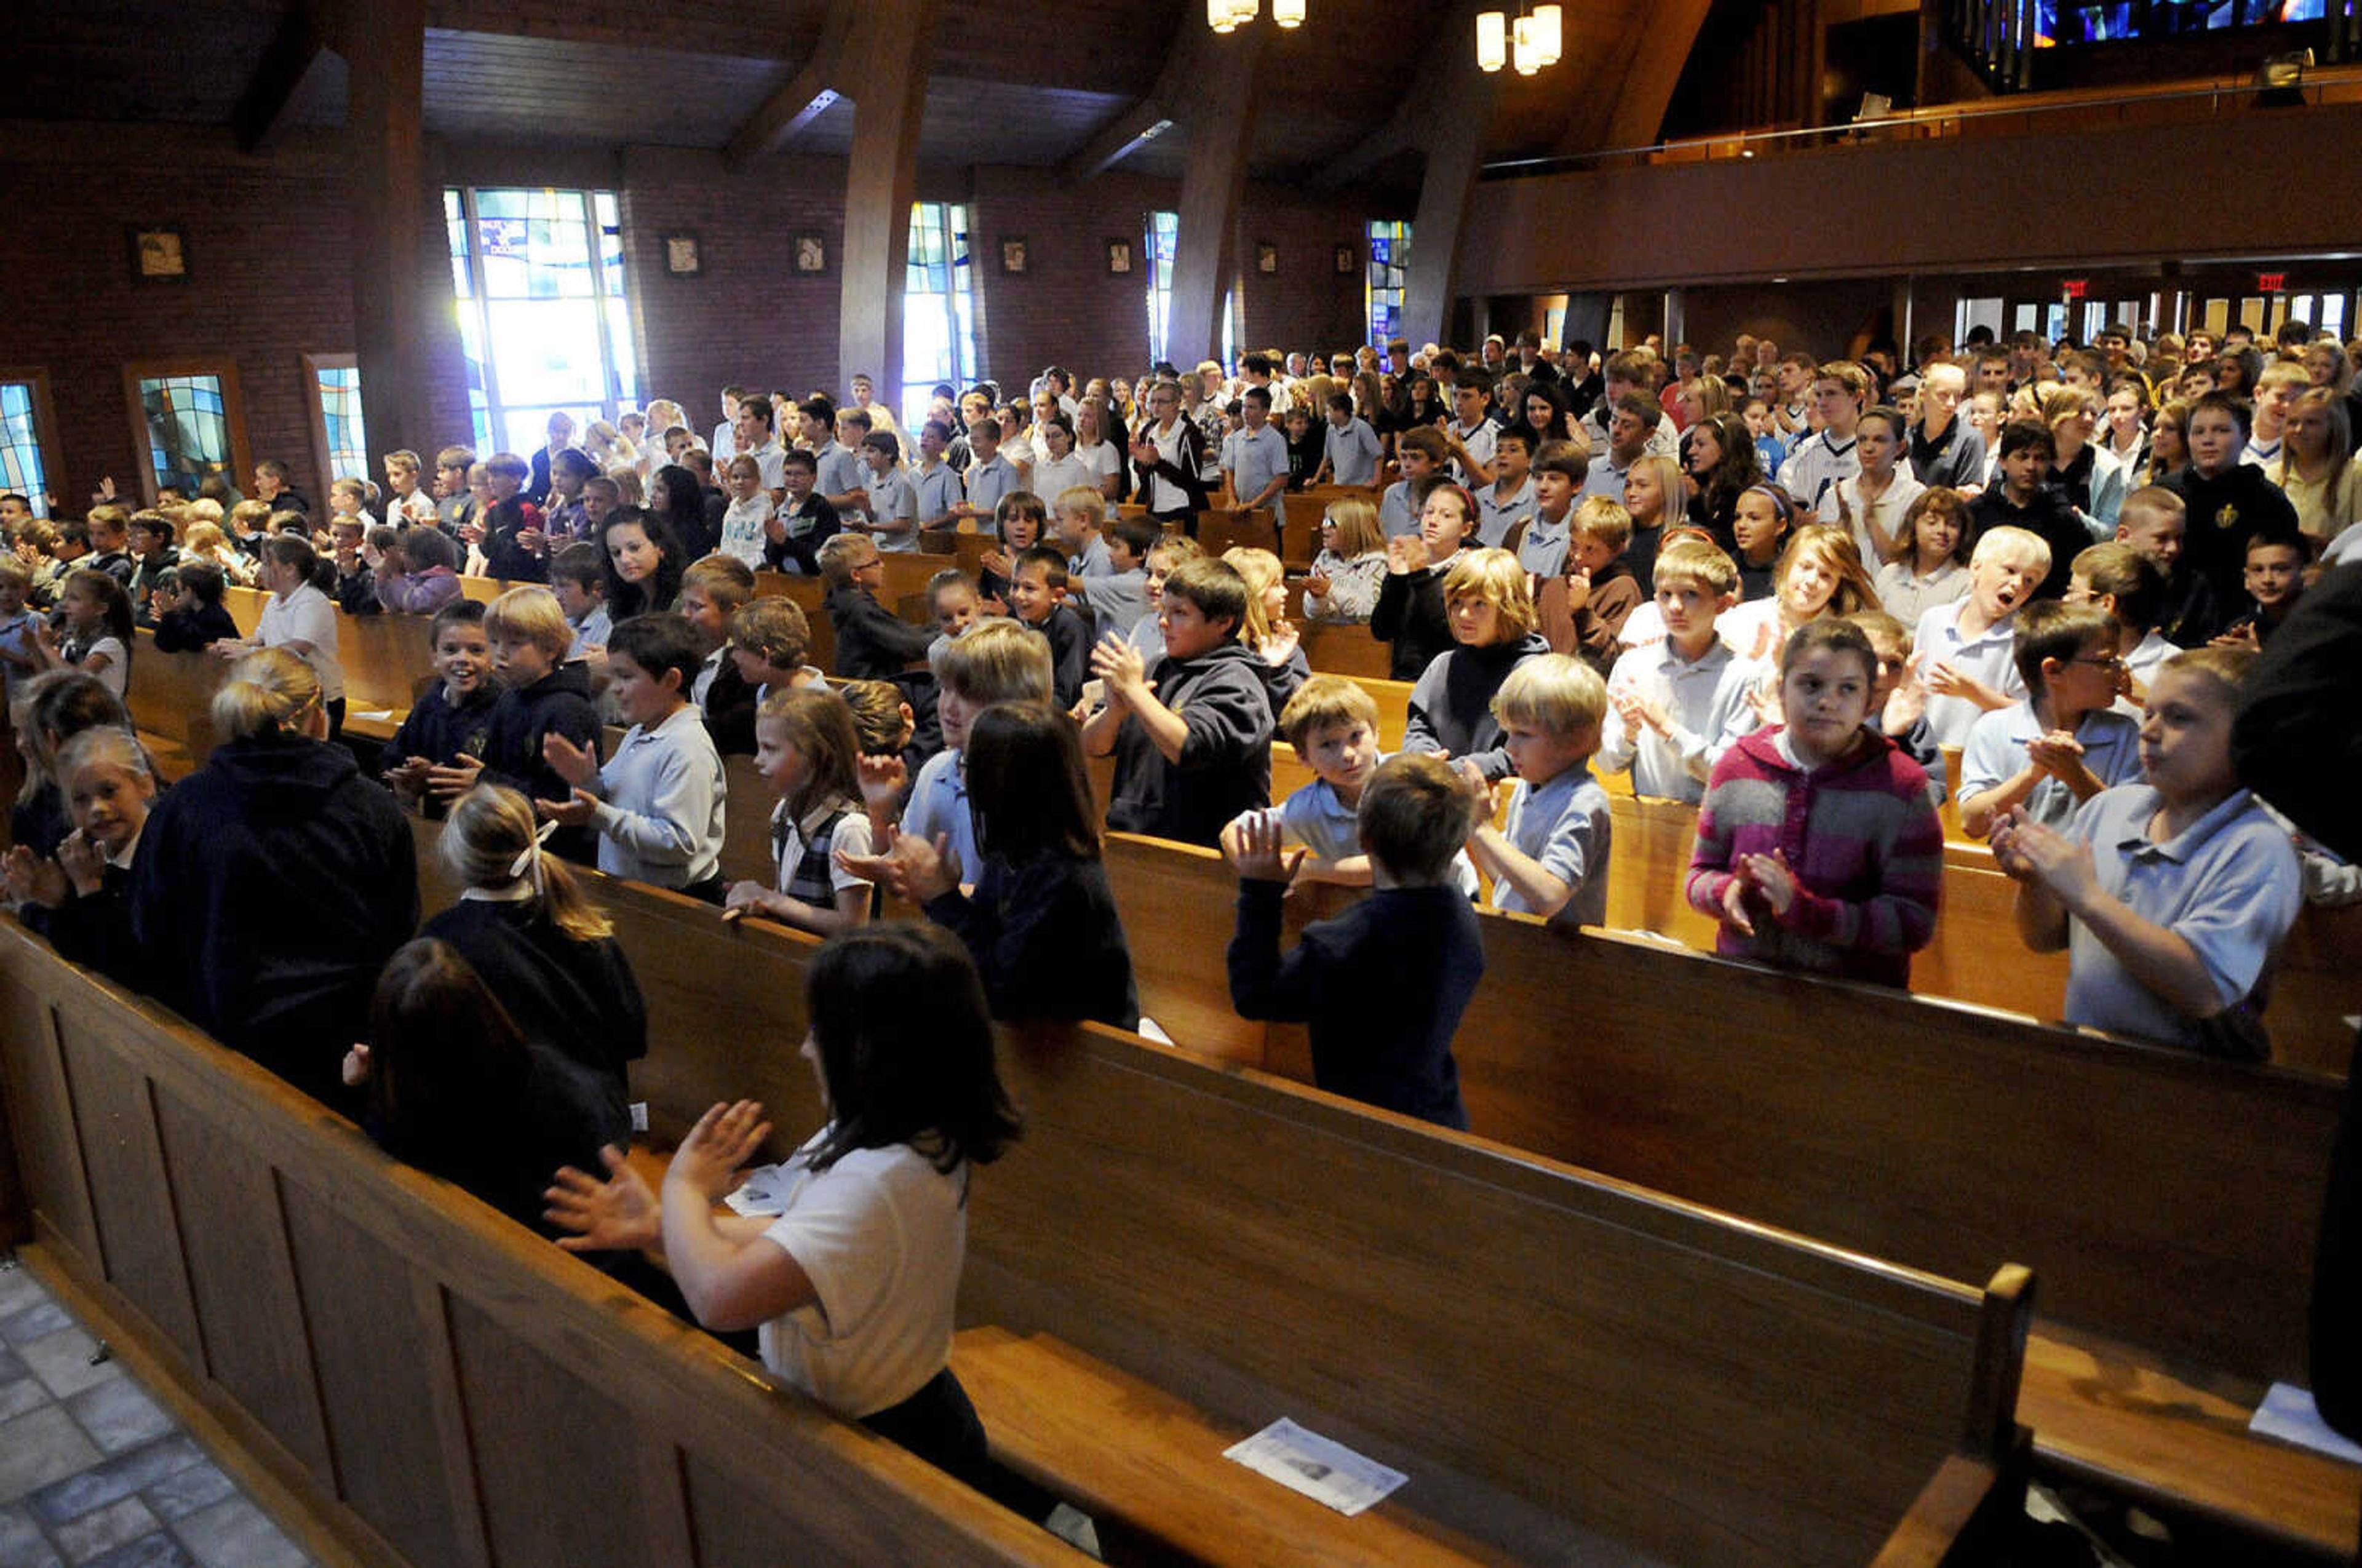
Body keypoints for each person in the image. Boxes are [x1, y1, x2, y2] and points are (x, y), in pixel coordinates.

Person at [543, 925, 1021, 1486]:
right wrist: (659, 1227)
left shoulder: (882, 1181)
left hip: (891, 1443)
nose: (805, 1047)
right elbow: (794, 1240)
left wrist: (683, 1191)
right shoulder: (897, 1133)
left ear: (866, 1051)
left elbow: (719, 1299)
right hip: (869, 1416)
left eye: (820, 1030)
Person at [129, 650, 416, 1102]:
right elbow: (398, 929)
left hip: (220, 1037)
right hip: (341, 1049)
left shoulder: (185, 804)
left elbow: (149, 925)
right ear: (319, 718)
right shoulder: (372, 808)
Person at [1995, 645, 2301, 1061]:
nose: (2150, 730)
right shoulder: (2111, 808)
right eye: (2151, 713)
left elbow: (2204, 989)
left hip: (2191, 1086)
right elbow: (2044, 938)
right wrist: (2036, 881)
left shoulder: (2258, 846)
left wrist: (2087, 897)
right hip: (2092, 1053)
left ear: (2246, 736)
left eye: (2179, 718)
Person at [1223, 754, 1483, 1129]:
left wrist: (1259, 893)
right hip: (1439, 1117)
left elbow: (1255, 995)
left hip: (1366, 1128)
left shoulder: (1351, 938)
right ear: (1459, 838)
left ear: (1364, 839)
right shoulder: (1462, 915)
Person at [848, 702, 1139, 1031]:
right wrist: (937, 893)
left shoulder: (1063, 872)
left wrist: (943, 897)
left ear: (1007, 780)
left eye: (970, 765)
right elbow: (988, 941)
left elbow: (1002, 993)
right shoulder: (1017, 848)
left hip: (1093, 1059)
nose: (962, 776)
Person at [1685, 620, 1942, 988]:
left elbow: (1914, 922)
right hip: (1744, 987)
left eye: (1848, 689)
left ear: (1871, 699)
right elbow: (1698, 875)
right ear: (1781, 689)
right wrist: (1726, 891)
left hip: (1855, 1002)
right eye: (1811, 685)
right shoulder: (1737, 767)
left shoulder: (1901, 786)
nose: (1827, 702)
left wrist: (1808, 912)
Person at [418, 784, 646, 1091]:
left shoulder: (438, 943)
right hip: (589, 1120)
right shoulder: (586, 930)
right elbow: (632, 1039)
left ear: (457, 857)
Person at [1084, 556, 1273, 848]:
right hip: (1134, 836)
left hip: (1200, 850)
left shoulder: (1238, 681)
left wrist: (1135, 693)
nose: (1163, 622)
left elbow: (1188, 749)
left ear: (1223, 622)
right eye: (1163, 610)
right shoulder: (1155, 667)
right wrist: (1114, 712)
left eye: (1180, 613)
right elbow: (1091, 746)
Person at [538, 613, 727, 901]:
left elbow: (678, 842)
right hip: (630, 889)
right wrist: (587, 782)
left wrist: (599, 815)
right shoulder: (641, 731)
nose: (615, 687)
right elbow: (616, 801)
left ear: (671, 680)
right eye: (614, 675)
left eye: (626, 677)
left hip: (672, 902)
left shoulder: (687, 748)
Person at [445, 586, 604, 865]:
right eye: (494, 642)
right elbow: (495, 765)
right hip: (508, 838)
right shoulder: (511, 696)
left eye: (514, 644)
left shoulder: (566, 710)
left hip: (552, 853)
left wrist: (486, 782)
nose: (500, 654)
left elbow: (558, 801)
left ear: (551, 648)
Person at [1596, 538, 1761, 803]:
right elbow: (1607, 763)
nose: (1675, 606)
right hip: (1649, 823)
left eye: (1690, 594)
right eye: (1666, 594)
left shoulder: (1744, 676)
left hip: (1710, 829)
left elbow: (1730, 773)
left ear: (1722, 603)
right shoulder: (1633, 665)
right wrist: (1628, 732)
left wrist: (1667, 729)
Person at [1957, 600, 2142, 838]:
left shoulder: (2123, 733)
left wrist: (2075, 774)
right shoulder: (1994, 729)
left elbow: (2130, 827)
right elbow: (1973, 823)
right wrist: (2035, 773)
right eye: (2107, 662)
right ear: (2053, 670)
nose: (2121, 671)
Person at [1461, 653, 1612, 929]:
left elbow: (1550, 897)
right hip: (1521, 946)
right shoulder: (1528, 786)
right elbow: (1509, 883)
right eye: (1508, 733)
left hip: (1562, 964)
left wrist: (1485, 831)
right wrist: (1473, 827)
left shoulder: (1584, 802)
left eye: (1524, 734)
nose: (1509, 748)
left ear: (1574, 740)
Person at [720, 687, 875, 936]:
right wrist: (761, 904)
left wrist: (772, 900)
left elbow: (853, 926)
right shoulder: (784, 812)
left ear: (816, 754)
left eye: (770, 749)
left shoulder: (849, 828)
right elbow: (788, 899)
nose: (758, 760)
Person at [3, 726, 154, 977]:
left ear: (144, 785)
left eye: (109, 791)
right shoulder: (87, 856)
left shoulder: (164, 853)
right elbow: (84, 950)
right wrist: (59, 901)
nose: (97, 808)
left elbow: (129, 965)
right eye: (80, 800)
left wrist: (88, 889)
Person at [1402, 548, 1549, 780]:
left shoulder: (1533, 674)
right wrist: (1425, 758)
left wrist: (1454, 770)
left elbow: (1522, 754)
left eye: (1480, 604)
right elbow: (1419, 727)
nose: (1463, 614)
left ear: (1508, 608)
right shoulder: (1443, 665)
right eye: (1457, 602)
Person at [1914, 525, 2050, 749]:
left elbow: (2031, 715)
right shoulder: (1934, 620)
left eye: (2030, 581)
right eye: (2010, 570)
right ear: (1976, 568)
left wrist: (1973, 693)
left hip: (1983, 762)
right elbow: (1916, 686)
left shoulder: (2025, 640)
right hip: (1927, 753)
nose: (2018, 584)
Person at [2167, 391, 2302, 610]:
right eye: (2198, 432)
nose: (2208, 440)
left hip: (2241, 614)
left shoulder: (2266, 498)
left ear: (2246, 436)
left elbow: (2282, 570)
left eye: (2222, 430)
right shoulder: (2167, 492)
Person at [381, 599, 499, 819]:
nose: (462, 659)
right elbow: (395, 754)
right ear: (435, 657)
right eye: (450, 650)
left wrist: (435, 773)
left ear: (493, 655)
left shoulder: (503, 709)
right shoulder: (429, 704)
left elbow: (505, 779)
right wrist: (410, 770)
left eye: (476, 650)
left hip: (481, 824)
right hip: (436, 821)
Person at [1371, 481, 1479, 680]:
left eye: (1446, 515)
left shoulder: (1472, 571)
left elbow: (1451, 633)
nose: (1433, 521)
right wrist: (1397, 579)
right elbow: (1382, 630)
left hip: (1449, 683)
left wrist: (1420, 576)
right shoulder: (1410, 563)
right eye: (1429, 512)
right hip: (1403, 680)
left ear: (1465, 529)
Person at [1819, 405, 1925, 569]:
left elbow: (1902, 567)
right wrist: (1842, 532)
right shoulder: (1836, 495)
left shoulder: (1915, 497)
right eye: (1862, 439)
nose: (1868, 448)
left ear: (1899, 447)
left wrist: (1871, 522)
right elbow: (1828, 564)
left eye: (1879, 440)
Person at [817, 534, 932, 680]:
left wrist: (942, 628)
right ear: (856, 575)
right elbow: (911, 645)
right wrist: (952, 633)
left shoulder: (845, 598)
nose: (882, 565)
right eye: (876, 562)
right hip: (872, 690)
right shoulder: (860, 609)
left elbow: (905, 633)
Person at [1220, 545, 1310, 710]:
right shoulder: (1215, 644)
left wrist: (1277, 670)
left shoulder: (1286, 649)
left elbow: (1301, 713)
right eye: (1276, 585)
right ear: (1254, 591)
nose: (1285, 592)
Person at [1874, 489, 1973, 627]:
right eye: (1932, 522)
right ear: (1913, 526)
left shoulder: (1966, 584)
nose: (1942, 531)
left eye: (1952, 524)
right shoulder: (1890, 574)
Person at [33, 568, 133, 699]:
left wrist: (47, 648)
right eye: (65, 597)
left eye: (74, 599)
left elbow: (79, 680)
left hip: (102, 717)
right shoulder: (72, 639)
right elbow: (52, 679)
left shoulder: (110, 643)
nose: (65, 604)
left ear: (101, 609)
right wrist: (35, 648)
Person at [1302, 498, 1387, 624]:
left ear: (1353, 528)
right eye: (1325, 520)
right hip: (1328, 636)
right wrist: (1318, 599)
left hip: (1364, 640)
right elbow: (1311, 614)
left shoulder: (1379, 564)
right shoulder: (1324, 559)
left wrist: (1331, 591)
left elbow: (1370, 614)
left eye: (1332, 523)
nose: (1324, 526)